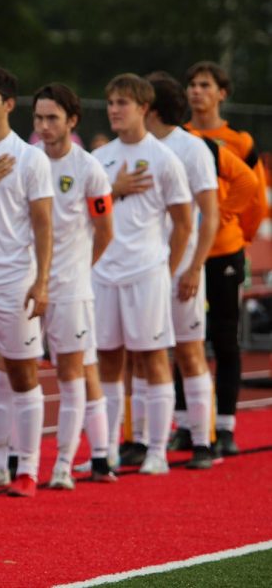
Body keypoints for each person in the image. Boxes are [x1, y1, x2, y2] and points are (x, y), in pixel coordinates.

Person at [90, 73, 192, 475]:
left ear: (144, 109)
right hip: (106, 272)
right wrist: (114, 190)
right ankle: (110, 448)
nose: (114, 110)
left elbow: (183, 223)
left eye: (123, 103)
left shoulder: (165, 158)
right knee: (109, 361)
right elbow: (91, 215)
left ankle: (156, 450)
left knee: (153, 360)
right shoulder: (100, 160)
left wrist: (165, 271)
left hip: (147, 270)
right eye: (111, 102)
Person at [123, 72, 218, 470]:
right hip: (142, 268)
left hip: (180, 269)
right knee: (142, 356)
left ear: (151, 108)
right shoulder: (132, 148)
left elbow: (208, 215)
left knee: (189, 351)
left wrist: (194, 267)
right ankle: (140, 440)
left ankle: (203, 441)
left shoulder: (190, 148)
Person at [0, 66, 53, 498]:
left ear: (8, 104)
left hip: (15, 280)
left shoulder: (31, 157)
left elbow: (43, 225)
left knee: (21, 373)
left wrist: (42, 282)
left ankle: (28, 467)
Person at [32, 83, 115, 486]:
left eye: (53, 118)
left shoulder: (89, 169)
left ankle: (65, 462)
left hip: (70, 288)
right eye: (39, 118)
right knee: (19, 373)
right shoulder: (30, 162)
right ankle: (15, 462)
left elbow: (104, 230)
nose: (45, 126)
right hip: (27, 285)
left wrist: (80, 267)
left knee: (73, 371)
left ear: (72, 121)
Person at [183, 61, 268, 456]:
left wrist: (232, 225)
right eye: (192, 85)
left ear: (222, 93)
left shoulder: (239, 141)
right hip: (185, 252)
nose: (196, 92)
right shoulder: (180, 136)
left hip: (224, 250)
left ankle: (226, 426)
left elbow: (254, 194)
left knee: (225, 336)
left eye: (205, 85)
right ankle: (187, 423)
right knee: (186, 338)